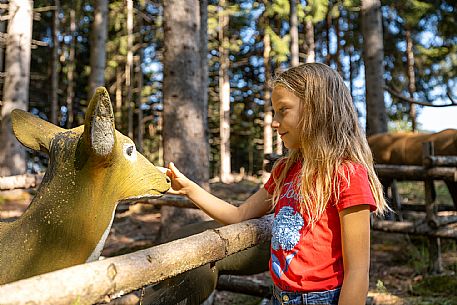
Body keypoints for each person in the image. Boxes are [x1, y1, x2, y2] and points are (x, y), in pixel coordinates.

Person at [163, 63, 389, 305]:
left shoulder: (346, 175)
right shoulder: (285, 170)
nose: (274, 122)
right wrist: (189, 189)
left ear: (317, 110)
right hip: (279, 296)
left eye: (284, 110)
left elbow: (357, 271)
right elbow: (240, 214)